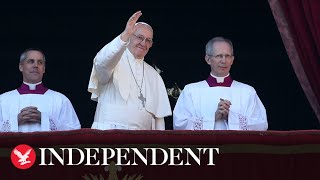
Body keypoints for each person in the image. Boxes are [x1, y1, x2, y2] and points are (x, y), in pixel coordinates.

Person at [88, 11, 172, 130]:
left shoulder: (154, 75)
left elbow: (158, 118)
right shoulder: (113, 61)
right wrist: (124, 35)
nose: (143, 43)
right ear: (129, 37)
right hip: (109, 136)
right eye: (139, 37)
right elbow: (101, 63)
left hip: (143, 142)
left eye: (148, 40)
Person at [173, 37, 268, 131]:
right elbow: (179, 124)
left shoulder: (247, 91)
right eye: (219, 56)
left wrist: (230, 117)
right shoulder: (191, 91)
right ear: (208, 59)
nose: (224, 61)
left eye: (227, 56)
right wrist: (213, 117)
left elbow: (261, 124)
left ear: (232, 60)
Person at [0, 48, 81, 132]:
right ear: (21, 67)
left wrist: (44, 119)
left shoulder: (60, 99)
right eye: (31, 61)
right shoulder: (3, 100)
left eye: (40, 62)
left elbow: (74, 131)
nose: (35, 65)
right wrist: (15, 121)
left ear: (44, 69)